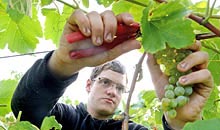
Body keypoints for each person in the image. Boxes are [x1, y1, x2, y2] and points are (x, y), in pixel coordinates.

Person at [11, 9, 213, 130]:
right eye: (105, 82)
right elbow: (25, 110)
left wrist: (180, 124)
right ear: (89, 84)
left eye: (119, 88)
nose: (112, 91)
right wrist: (61, 65)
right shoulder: (66, 119)